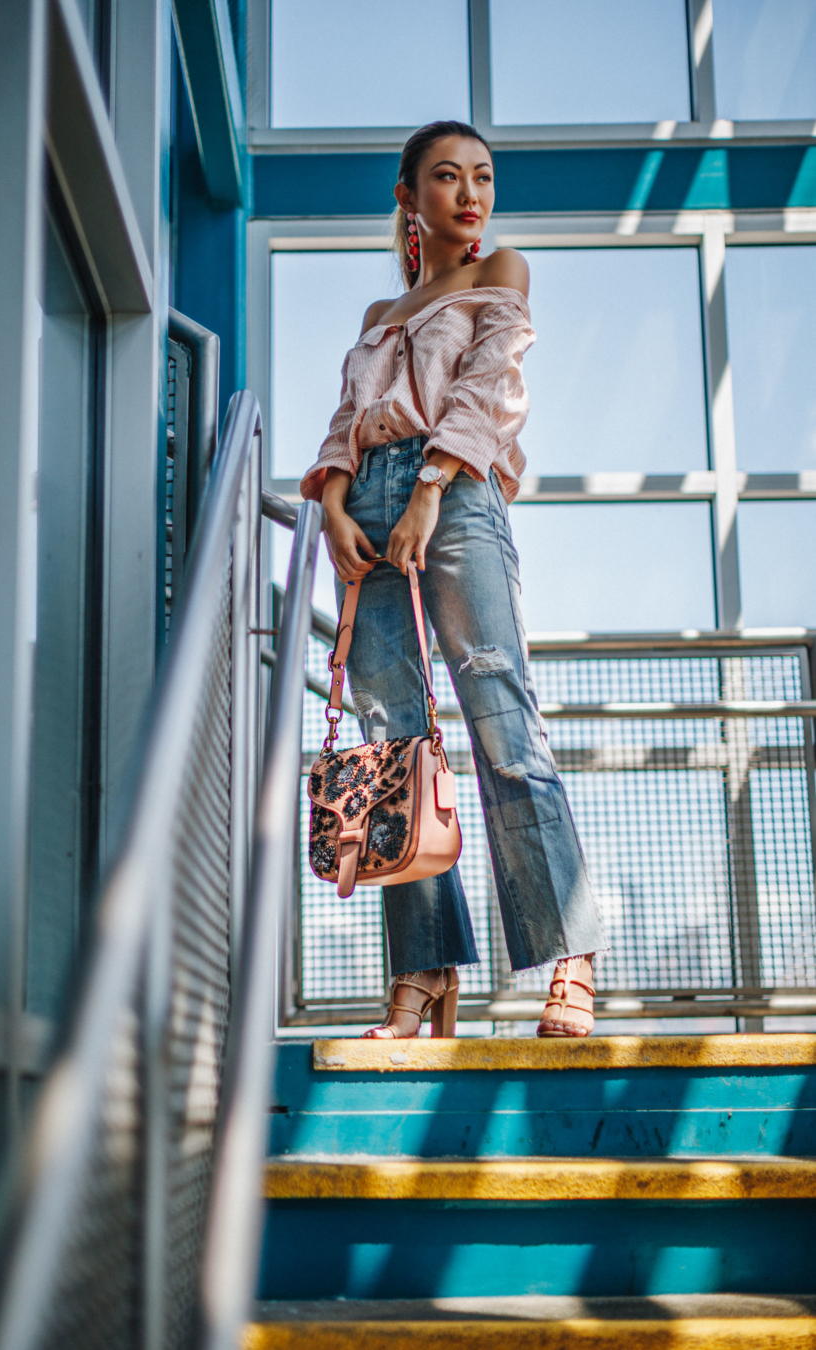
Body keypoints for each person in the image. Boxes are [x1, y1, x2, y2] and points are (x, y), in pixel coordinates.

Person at [300, 120, 607, 1040]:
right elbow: (347, 421)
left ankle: (568, 955)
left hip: (458, 494)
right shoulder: (374, 320)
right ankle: (423, 977)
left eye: (482, 176)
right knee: (392, 746)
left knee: (499, 716)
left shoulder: (498, 274)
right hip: (371, 507)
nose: (470, 194)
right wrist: (333, 507)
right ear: (408, 197)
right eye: (446, 176)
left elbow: (489, 387)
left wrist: (432, 486)